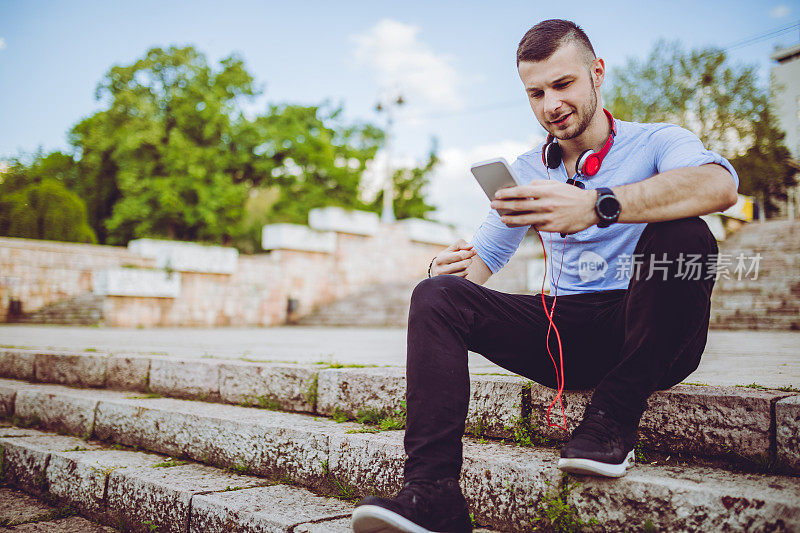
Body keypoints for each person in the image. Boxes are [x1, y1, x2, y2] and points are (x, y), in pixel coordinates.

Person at [351, 19, 739, 533]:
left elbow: (719, 186)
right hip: (566, 336)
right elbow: (479, 264)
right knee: (436, 296)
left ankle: (611, 417)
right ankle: (432, 492)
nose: (550, 104)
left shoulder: (657, 141)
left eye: (563, 84)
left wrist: (599, 205)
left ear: (596, 73)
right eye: (535, 93)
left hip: (651, 331)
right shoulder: (528, 169)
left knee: (687, 236)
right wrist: (443, 272)